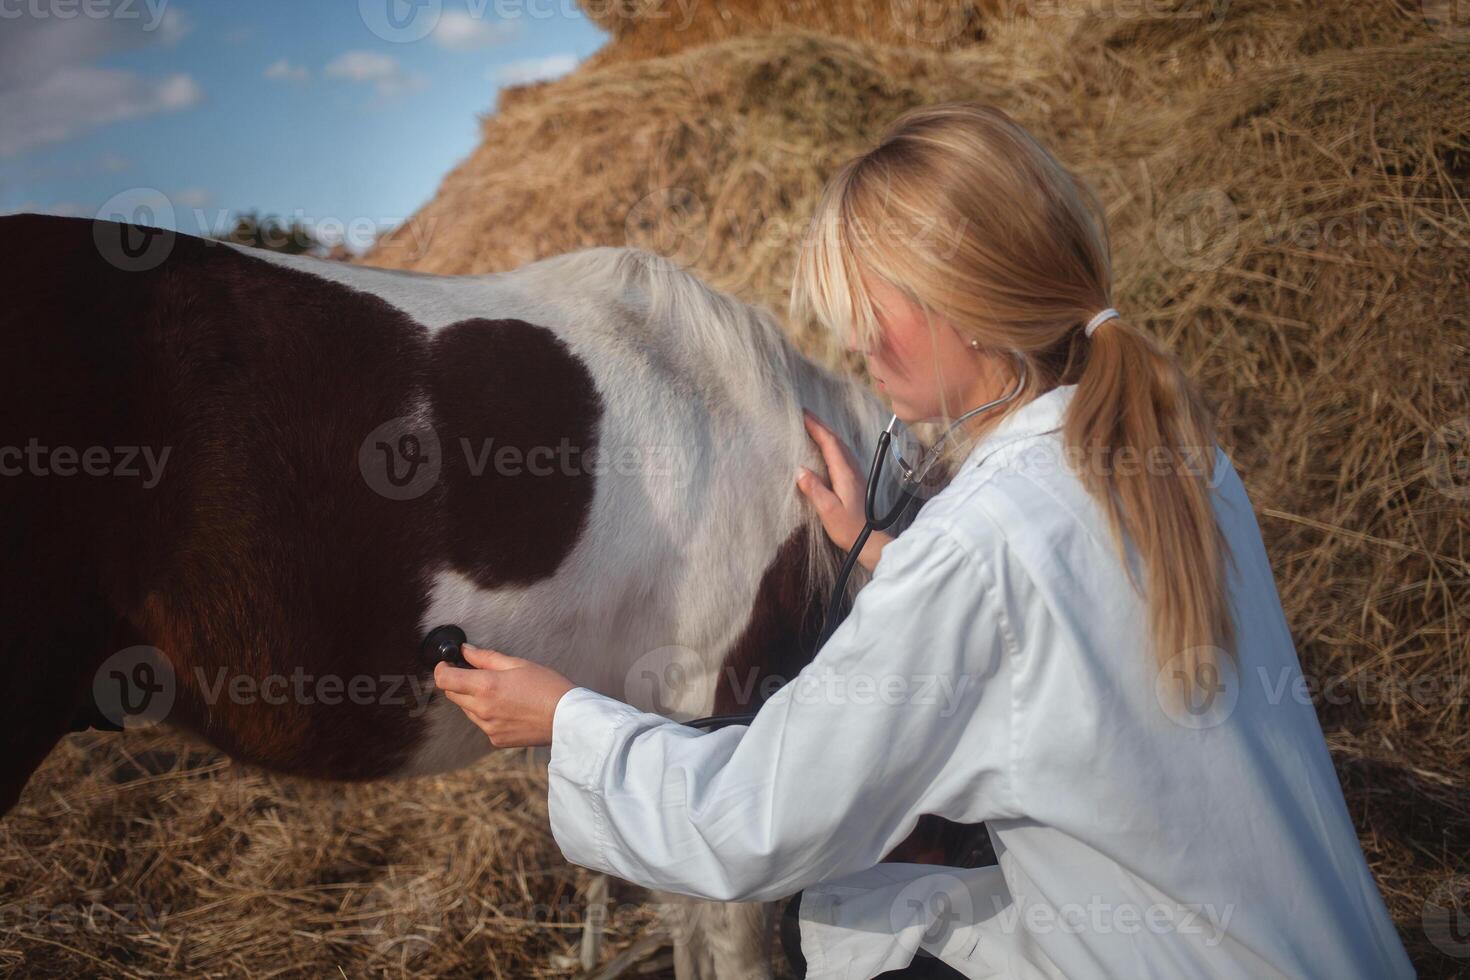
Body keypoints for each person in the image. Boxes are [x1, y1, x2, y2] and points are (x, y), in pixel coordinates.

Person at [433, 103, 1414, 979]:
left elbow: (758, 817)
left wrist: (568, 721)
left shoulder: (979, 546)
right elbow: (1056, 645)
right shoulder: (1169, 456)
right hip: (1316, 944)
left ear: (968, 302)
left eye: (875, 309)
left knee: (860, 915)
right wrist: (869, 546)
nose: (859, 345)